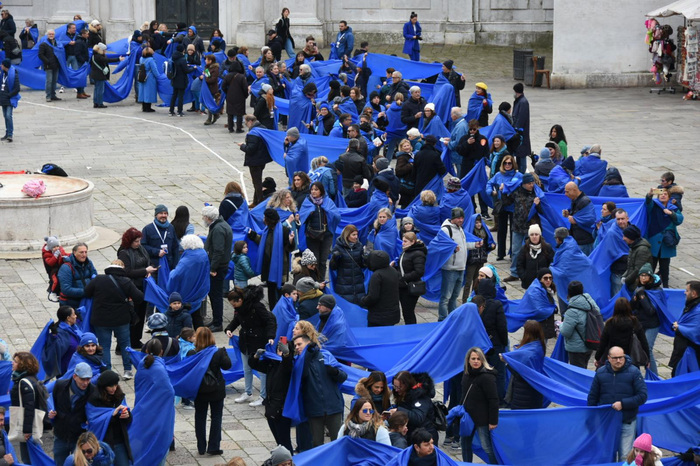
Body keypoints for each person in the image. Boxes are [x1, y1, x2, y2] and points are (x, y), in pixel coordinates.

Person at [84, 259, 143, 379]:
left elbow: (86, 292)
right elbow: (139, 297)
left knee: (104, 346)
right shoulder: (126, 281)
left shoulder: (98, 279)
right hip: (121, 320)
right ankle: (127, 370)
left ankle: (107, 371)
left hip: (101, 320)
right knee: (125, 344)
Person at [588, 346, 648, 460]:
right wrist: (591, 417)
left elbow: (643, 396)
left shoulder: (634, 372)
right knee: (605, 454)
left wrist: (623, 404)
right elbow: (592, 397)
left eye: (621, 357)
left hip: (627, 420)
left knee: (625, 456)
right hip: (606, 422)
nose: (619, 360)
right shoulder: (600, 373)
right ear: (609, 358)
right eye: (615, 358)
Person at [293, 333, 348, 447]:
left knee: (337, 442)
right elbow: (301, 376)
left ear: (308, 343)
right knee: (317, 444)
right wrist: (307, 354)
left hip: (333, 407)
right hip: (314, 410)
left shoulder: (325, 355)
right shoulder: (298, 361)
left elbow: (343, 377)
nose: (297, 347)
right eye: (295, 346)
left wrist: (335, 372)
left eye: (299, 344)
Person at [225, 286, 277, 406]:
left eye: (233, 303)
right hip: (245, 341)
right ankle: (248, 392)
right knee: (246, 368)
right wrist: (229, 329)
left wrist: (270, 336)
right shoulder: (239, 308)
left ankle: (263, 396)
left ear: (240, 300)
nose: (233, 306)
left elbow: (269, 321)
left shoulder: (257, 306)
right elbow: (237, 320)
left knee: (262, 370)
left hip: (258, 341)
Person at [189, 327, 231, 456]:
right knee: (216, 417)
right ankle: (213, 446)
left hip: (200, 390)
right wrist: (224, 353)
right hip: (216, 390)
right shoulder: (218, 352)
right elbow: (227, 365)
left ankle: (201, 447)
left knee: (200, 417)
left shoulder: (192, 353)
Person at [249, 338, 294, 453]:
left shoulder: (288, 364)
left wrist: (286, 354)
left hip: (281, 408)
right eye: (279, 350)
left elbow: (287, 365)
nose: (280, 352)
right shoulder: (271, 364)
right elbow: (254, 365)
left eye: (282, 350)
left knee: (285, 442)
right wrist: (256, 355)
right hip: (271, 406)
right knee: (279, 441)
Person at [49, 362, 96, 465]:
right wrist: (50, 413)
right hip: (61, 435)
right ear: (75, 376)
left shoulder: (93, 391)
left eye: (88, 379)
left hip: (79, 437)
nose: (85, 383)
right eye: (83, 379)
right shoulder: (60, 386)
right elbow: (52, 402)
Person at [118, 227, 157, 349]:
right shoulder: (124, 252)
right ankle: (123, 343)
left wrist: (149, 269)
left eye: (139, 241)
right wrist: (145, 270)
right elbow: (127, 271)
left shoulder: (141, 249)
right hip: (131, 288)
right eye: (136, 241)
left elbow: (148, 261)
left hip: (143, 286)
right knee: (131, 316)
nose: (138, 243)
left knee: (140, 315)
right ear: (129, 241)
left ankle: (136, 340)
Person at [248, 209, 296, 306]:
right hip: (267, 266)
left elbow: (290, 248)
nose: (263, 219)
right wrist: (252, 235)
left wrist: (291, 241)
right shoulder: (267, 230)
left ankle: (280, 309)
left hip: (280, 266)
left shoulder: (284, 231)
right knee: (270, 290)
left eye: (265, 217)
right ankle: (273, 310)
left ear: (269, 220)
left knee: (279, 290)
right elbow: (262, 242)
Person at [440, 207, 480, 321]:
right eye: (458, 218)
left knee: (454, 297)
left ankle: (452, 318)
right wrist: (452, 250)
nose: (461, 220)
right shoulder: (446, 230)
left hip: (461, 268)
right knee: (446, 297)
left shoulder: (460, 228)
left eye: (462, 218)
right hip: (450, 269)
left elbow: (462, 245)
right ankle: (442, 319)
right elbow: (441, 247)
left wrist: (473, 245)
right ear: (453, 218)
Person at [460, 347, 498, 463]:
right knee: (465, 444)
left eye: (478, 359)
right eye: (473, 359)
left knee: (486, 447)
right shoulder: (466, 374)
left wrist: (493, 421)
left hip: (482, 418)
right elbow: (463, 394)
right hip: (467, 416)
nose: (476, 361)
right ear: (468, 360)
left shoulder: (487, 377)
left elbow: (493, 400)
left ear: (483, 360)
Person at [501, 172, 541, 282]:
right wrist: (503, 192)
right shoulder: (516, 192)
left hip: (531, 228)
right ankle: (514, 273)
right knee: (515, 250)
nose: (531, 185)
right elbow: (506, 202)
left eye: (532, 183)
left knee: (533, 250)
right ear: (523, 184)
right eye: (529, 183)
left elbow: (543, 211)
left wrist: (538, 204)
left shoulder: (537, 194)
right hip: (517, 226)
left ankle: (532, 273)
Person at [86, 370, 132, 466]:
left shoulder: (119, 396)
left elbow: (127, 416)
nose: (114, 388)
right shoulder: (94, 400)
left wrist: (127, 415)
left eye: (116, 385)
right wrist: (112, 414)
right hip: (103, 443)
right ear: (103, 386)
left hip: (119, 440)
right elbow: (93, 422)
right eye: (110, 386)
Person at [10, 352, 48, 464]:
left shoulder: (23, 382)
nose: (13, 363)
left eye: (16, 361)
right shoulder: (30, 378)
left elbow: (29, 407)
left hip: (26, 427)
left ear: (23, 365)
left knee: (28, 458)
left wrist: (27, 430)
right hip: (28, 426)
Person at [476, 277, 508, 402]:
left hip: (480, 345)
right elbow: (502, 326)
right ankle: (499, 398)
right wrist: (504, 343)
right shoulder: (496, 305)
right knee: (499, 373)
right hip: (495, 344)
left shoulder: (475, 304)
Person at [202, 206, 233, 333]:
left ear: (209, 218)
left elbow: (218, 251)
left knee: (215, 295)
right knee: (214, 293)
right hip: (220, 265)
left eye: (204, 217)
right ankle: (216, 320)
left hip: (218, 267)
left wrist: (213, 268)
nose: (203, 219)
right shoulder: (220, 225)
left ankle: (217, 322)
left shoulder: (218, 229)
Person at [644, 186, 683, 288]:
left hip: (666, 243)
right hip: (654, 240)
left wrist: (671, 214)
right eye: (661, 194)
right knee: (651, 266)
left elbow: (679, 220)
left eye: (665, 194)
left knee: (665, 267)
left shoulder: (673, 208)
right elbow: (647, 203)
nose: (663, 195)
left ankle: (665, 286)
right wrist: (649, 195)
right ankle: (649, 285)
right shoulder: (655, 205)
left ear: (669, 197)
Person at [595, 297, 650, 368]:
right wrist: (648, 359)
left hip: (614, 359)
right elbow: (643, 342)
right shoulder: (634, 322)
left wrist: (597, 358)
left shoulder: (610, 323)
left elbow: (603, 343)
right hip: (631, 359)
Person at [486, 156, 522, 261]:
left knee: (513, 231)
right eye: (505, 163)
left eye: (509, 163)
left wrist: (504, 186)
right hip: (502, 206)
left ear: (513, 164)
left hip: (514, 206)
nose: (507, 165)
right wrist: (491, 192)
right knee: (501, 230)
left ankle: (512, 253)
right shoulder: (498, 175)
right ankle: (500, 253)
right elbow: (489, 183)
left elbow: (514, 183)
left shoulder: (518, 175)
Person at [300, 182, 338, 280]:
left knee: (323, 261)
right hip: (312, 236)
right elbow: (302, 217)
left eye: (316, 189)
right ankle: (315, 281)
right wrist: (309, 214)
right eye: (312, 189)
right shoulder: (307, 202)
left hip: (326, 235)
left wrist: (328, 212)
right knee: (314, 261)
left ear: (321, 191)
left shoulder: (328, 202)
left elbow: (337, 216)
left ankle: (321, 281)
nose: (313, 192)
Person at [560, 281, 601, 369]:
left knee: (577, 374)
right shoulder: (590, 302)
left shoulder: (572, 311)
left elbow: (566, 332)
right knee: (584, 369)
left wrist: (560, 325)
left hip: (576, 348)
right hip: (589, 343)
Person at [506, 320, 546, 409]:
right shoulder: (539, 346)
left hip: (523, 394)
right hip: (534, 393)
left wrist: (508, 362)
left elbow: (521, 373)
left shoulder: (528, 353)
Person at [631, 264, 662, 374]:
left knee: (648, 348)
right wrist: (635, 300)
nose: (643, 278)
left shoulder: (657, 291)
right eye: (641, 276)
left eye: (646, 276)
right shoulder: (639, 289)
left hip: (652, 324)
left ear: (650, 277)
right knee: (637, 348)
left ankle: (654, 376)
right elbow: (632, 308)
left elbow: (651, 311)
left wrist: (642, 297)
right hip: (640, 324)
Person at [240, 115, 273, 206]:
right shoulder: (263, 128)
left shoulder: (253, 133)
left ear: (250, 121)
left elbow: (251, 149)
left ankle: (260, 203)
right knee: (257, 181)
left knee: (257, 183)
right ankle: (255, 201)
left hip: (255, 161)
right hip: (262, 159)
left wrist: (242, 146)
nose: (246, 125)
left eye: (246, 123)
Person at [361, 250, 400, 327]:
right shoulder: (393, 271)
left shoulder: (377, 275)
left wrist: (363, 300)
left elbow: (373, 296)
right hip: (392, 313)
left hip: (378, 316)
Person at [669, 280, 700, 376]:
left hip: (689, 354)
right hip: (681, 351)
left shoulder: (697, 310)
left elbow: (696, 331)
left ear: (694, 293)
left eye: (687, 290)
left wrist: (679, 327)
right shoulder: (691, 305)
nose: (684, 293)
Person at [396, 232, 427, 325]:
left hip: (410, 286)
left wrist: (403, 278)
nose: (403, 243)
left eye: (405, 241)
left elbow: (419, 272)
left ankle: (411, 331)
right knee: (406, 312)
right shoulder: (406, 251)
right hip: (403, 286)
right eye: (403, 241)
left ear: (412, 242)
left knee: (408, 312)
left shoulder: (418, 254)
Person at [330, 225, 366, 305]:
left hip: (358, 284)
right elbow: (333, 267)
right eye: (353, 235)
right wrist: (334, 258)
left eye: (357, 234)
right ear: (347, 235)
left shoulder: (359, 246)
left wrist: (365, 259)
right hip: (344, 285)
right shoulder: (338, 247)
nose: (356, 237)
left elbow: (363, 265)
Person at [58, 243, 97, 309]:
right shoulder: (66, 268)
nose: (84, 255)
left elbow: (96, 279)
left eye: (85, 252)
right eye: (81, 252)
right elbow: (66, 289)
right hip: (71, 305)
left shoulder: (89, 263)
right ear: (74, 252)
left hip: (87, 301)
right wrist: (86, 292)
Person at [515, 224, 554, 290]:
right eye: (532, 235)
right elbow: (519, 264)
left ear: (540, 235)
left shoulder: (547, 248)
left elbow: (552, 262)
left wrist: (548, 277)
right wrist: (524, 277)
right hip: (529, 282)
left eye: (536, 234)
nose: (534, 237)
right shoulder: (524, 249)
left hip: (544, 282)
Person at [142, 204, 179, 270]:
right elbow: (143, 246)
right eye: (161, 213)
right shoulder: (148, 229)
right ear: (156, 215)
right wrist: (157, 251)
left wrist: (175, 265)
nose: (163, 215)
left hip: (169, 264)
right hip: (154, 264)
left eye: (165, 213)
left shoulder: (171, 228)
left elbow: (175, 247)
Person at [563, 181, 596, 256]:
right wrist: (568, 213)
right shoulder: (575, 200)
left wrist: (575, 220)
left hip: (585, 240)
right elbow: (577, 214)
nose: (565, 194)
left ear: (574, 190)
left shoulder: (585, 201)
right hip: (578, 239)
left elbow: (591, 219)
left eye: (567, 192)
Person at [90, 42, 124, 109]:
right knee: (100, 90)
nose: (105, 51)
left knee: (96, 89)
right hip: (100, 75)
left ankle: (96, 102)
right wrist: (118, 59)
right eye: (104, 50)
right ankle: (100, 103)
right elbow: (107, 60)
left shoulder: (94, 56)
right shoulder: (99, 57)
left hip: (94, 74)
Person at [622, 225, 652, 292]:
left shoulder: (642, 250)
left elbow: (637, 270)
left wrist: (626, 280)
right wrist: (624, 276)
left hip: (637, 287)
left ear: (631, 237)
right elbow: (630, 266)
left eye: (625, 236)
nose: (623, 238)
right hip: (633, 283)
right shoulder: (633, 247)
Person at [223, 61, 248, 133]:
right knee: (239, 113)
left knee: (230, 112)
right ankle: (239, 128)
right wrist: (245, 95)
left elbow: (223, 86)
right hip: (240, 96)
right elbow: (245, 88)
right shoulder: (241, 77)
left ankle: (230, 128)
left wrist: (227, 92)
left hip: (230, 96)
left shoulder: (227, 76)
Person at [169, 44, 193, 116]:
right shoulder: (182, 59)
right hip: (182, 79)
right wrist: (193, 68)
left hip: (174, 78)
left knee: (174, 95)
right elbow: (186, 70)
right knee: (180, 96)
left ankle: (171, 110)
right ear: (183, 50)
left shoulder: (173, 58)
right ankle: (179, 111)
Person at [512, 83, 530, 173]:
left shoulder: (523, 102)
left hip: (521, 135)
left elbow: (521, 118)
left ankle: (522, 174)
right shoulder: (520, 101)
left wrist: (516, 129)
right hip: (519, 134)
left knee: (521, 156)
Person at [38, 29, 60, 102]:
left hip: (56, 65)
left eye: (52, 34)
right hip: (48, 65)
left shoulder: (57, 43)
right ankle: (48, 96)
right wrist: (47, 61)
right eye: (50, 34)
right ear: (47, 35)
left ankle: (53, 95)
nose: (51, 35)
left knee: (54, 81)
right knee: (49, 81)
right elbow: (40, 55)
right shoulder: (44, 44)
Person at [0, 59, 19, 142]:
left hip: (9, 98)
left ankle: (10, 134)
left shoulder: (13, 74)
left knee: (8, 115)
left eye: (2, 65)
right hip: (3, 98)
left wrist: (9, 95)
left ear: (5, 66)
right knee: (5, 116)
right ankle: (7, 133)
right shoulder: (2, 74)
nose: (1, 66)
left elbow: (17, 88)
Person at [137, 46, 159, 112]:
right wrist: (158, 77)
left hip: (142, 76)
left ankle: (144, 107)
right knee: (149, 92)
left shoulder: (141, 59)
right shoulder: (151, 60)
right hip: (149, 77)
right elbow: (154, 70)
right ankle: (148, 107)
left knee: (142, 92)